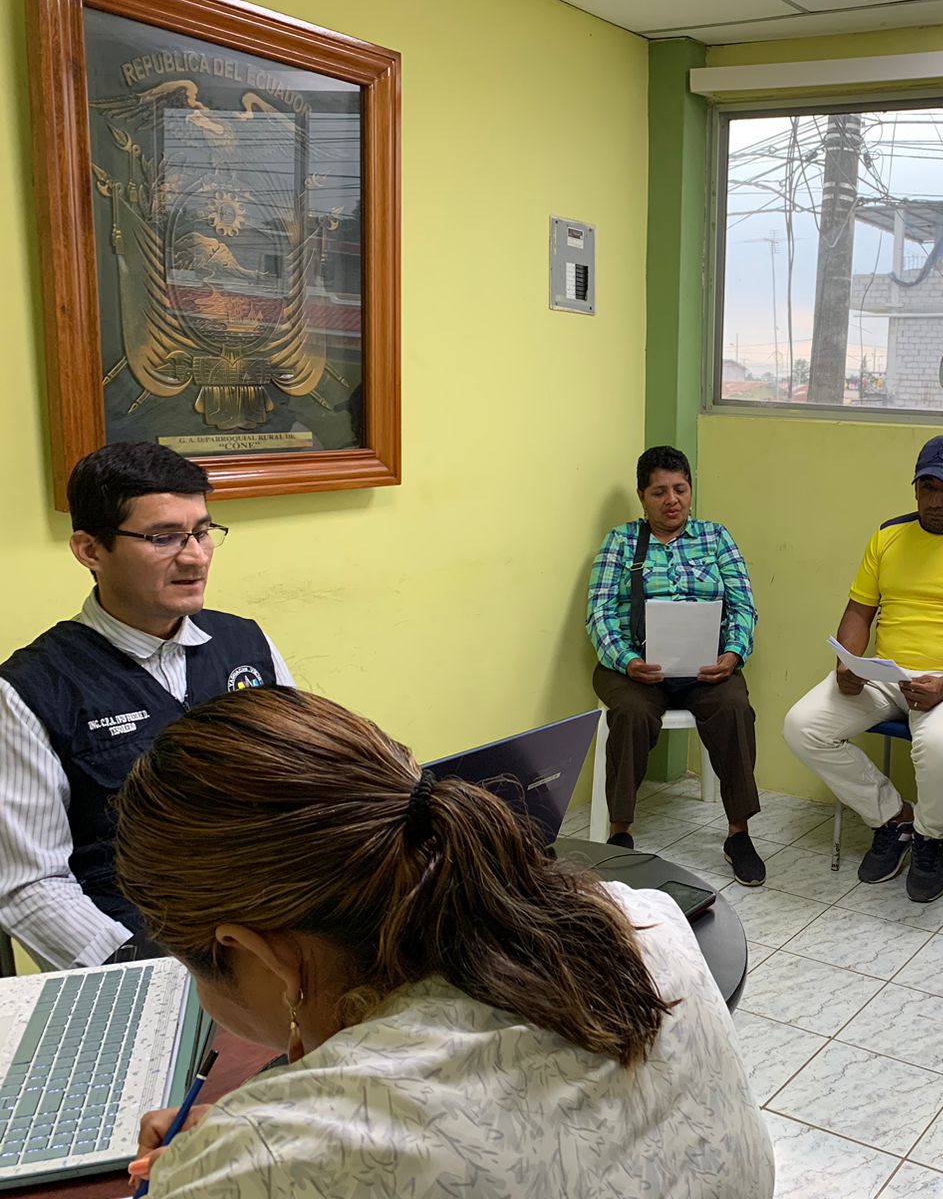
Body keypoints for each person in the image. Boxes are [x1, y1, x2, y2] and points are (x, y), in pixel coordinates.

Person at [116, 687, 775, 1198]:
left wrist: (236, 1160)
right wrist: (261, 1138)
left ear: (260, 953)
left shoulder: (260, 1166)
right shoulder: (645, 921)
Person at [0, 442, 292, 970]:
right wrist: (145, 965)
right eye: (164, 537)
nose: (195, 556)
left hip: (275, 925)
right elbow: (32, 885)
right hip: (143, 947)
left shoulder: (246, 644)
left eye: (202, 532)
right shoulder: (31, 690)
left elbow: (308, 786)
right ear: (90, 550)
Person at [783, 434, 943, 903]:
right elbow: (859, 612)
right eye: (926, 488)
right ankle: (894, 819)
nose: (935, 501)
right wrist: (848, 663)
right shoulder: (888, 536)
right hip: (886, 675)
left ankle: (930, 838)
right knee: (802, 726)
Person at [586, 446, 766, 885]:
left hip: (705, 668)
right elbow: (599, 613)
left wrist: (732, 655)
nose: (672, 500)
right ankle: (620, 832)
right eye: (660, 492)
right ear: (642, 496)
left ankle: (739, 833)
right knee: (630, 713)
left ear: (690, 489)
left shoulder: (716, 538)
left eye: (680, 489)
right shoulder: (621, 542)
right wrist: (628, 661)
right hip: (633, 667)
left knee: (734, 707)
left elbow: (743, 606)